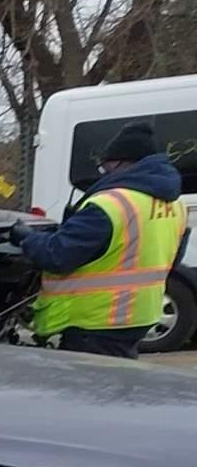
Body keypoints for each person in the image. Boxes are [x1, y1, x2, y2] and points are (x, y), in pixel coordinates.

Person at [12, 123, 187, 357]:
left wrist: (27, 238)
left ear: (123, 163)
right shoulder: (175, 205)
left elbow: (56, 255)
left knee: (89, 389)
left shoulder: (109, 205)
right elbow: (171, 260)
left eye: (106, 167)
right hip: (139, 315)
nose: (103, 173)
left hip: (96, 321)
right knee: (117, 385)